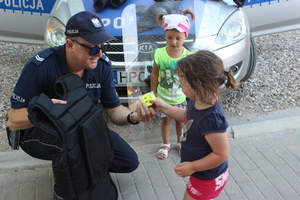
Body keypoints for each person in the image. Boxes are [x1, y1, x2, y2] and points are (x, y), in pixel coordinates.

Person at [6, 11, 156, 199]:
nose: (99, 53)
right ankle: (64, 188)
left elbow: (115, 111)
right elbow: (12, 120)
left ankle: (82, 170)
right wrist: (45, 110)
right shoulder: (41, 66)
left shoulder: (101, 66)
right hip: (36, 132)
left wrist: (133, 117)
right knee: (69, 145)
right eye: (93, 49)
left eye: (102, 47)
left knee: (128, 160)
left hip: (79, 126)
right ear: (70, 45)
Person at [150, 50, 239, 200]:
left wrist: (193, 167)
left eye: (183, 82)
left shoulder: (212, 118)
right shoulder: (197, 100)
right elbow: (188, 116)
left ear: (198, 85)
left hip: (207, 178)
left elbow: (221, 154)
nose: (180, 85)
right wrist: (163, 106)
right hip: (201, 174)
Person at [150, 8, 195, 159]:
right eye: (169, 38)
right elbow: (155, 74)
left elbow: (190, 78)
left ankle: (180, 142)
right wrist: (152, 93)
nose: (174, 42)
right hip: (163, 97)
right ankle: (165, 144)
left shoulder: (188, 56)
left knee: (180, 122)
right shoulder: (159, 53)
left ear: (185, 36)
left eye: (178, 38)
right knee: (165, 122)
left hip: (181, 98)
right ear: (164, 35)